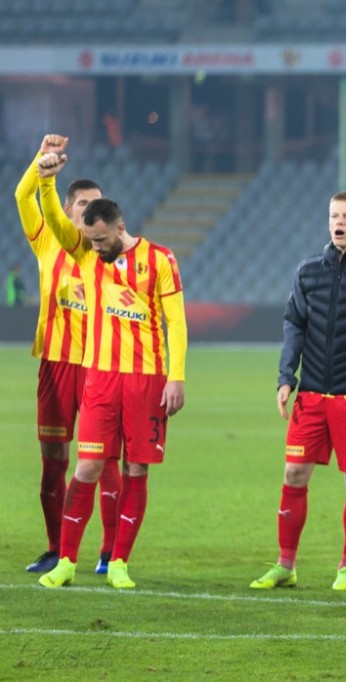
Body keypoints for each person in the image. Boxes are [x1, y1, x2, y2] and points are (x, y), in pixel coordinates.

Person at [35, 144, 188, 590]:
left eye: (101, 240)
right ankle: (66, 562)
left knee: (137, 470)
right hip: (99, 378)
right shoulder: (85, 253)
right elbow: (55, 221)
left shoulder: (160, 260)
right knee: (87, 468)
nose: (95, 247)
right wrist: (46, 179)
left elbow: (176, 322)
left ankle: (118, 561)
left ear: (120, 227)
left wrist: (176, 376)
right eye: (90, 240)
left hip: (146, 381)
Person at [250, 190, 346, 592]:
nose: (339, 222)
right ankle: (286, 565)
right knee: (294, 472)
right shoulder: (308, 271)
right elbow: (294, 324)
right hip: (311, 394)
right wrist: (286, 377)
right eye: (334, 215)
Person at [15, 135, 123, 577]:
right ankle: (56, 548)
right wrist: (41, 161)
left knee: (105, 462)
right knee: (53, 461)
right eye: (83, 205)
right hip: (55, 366)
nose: (91, 210)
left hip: (98, 366)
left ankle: (109, 553)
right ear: (68, 208)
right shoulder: (47, 242)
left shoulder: (106, 252)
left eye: (98, 205)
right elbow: (23, 196)